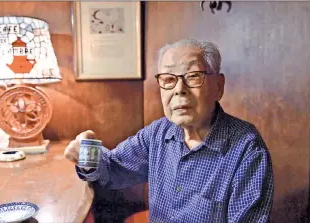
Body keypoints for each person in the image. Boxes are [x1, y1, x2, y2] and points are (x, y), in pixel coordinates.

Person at [64, 39, 274, 223]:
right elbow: (113, 169)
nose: (179, 89)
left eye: (192, 76)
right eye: (168, 79)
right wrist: (86, 153)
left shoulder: (247, 148)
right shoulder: (157, 133)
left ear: (218, 86)